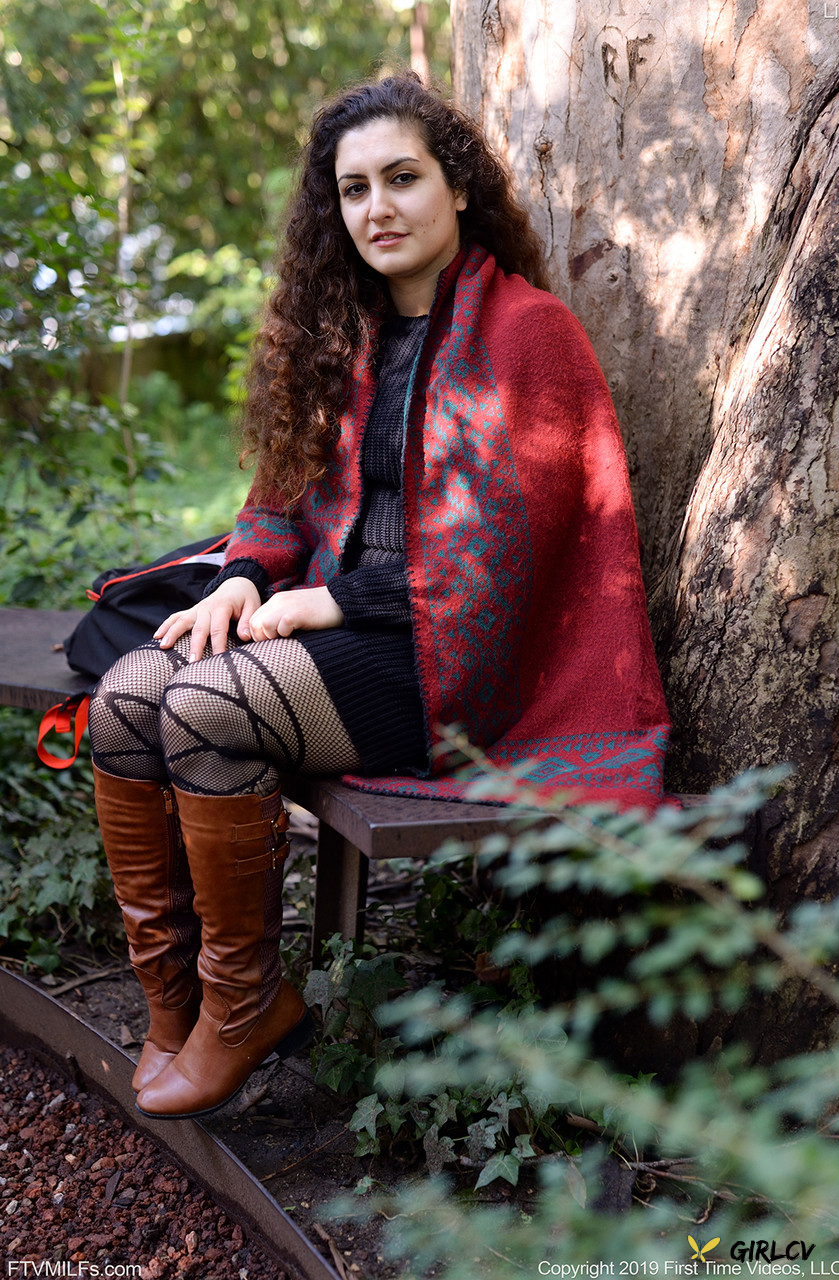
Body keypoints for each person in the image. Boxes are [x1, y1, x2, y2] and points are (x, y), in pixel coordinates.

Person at [87, 73, 669, 1121]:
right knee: (127, 695)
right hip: (332, 637)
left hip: (453, 667)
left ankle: (242, 1002)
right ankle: (175, 1001)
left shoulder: (527, 332)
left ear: (458, 187)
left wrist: (334, 602)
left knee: (205, 706)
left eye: (402, 179)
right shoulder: (337, 333)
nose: (377, 209)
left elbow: (508, 561)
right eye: (353, 190)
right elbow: (277, 498)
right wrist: (240, 577)